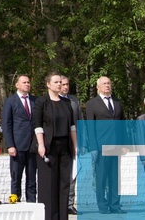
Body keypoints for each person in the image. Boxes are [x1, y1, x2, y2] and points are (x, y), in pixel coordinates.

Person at [33, 73, 76, 220]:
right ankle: (50, 216)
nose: (59, 84)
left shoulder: (66, 103)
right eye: (56, 82)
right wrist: (40, 144)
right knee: (49, 183)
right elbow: (37, 125)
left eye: (61, 82)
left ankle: (63, 216)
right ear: (48, 84)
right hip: (49, 146)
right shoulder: (41, 102)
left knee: (64, 183)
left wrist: (75, 146)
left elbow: (72, 126)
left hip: (65, 147)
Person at [85, 75, 125, 214]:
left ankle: (115, 205)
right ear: (98, 87)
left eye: (108, 83)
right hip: (101, 146)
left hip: (116, 145)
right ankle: (103, 206)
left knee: (115, 178)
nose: (107, 85)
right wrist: (93, 147)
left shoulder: (117, 102)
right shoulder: (92, 104)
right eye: (104, 83)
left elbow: (122, 124)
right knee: (102, 177)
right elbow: (90, 127)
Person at [2, 74, 37, 202]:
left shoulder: (35, 100)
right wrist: (10, 145)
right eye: (24, 82)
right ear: (17, 85)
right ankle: (15, 201)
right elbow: (6, 124)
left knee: (32, 177)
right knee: (16, 176)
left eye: (28, 82)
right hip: (17, 145)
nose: (27, 84)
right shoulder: (11, 101)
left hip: (33, 145)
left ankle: (32, 202)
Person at [59, 76, 81, 214]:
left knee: (72, 174)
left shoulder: (74, 101)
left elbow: (80, 121)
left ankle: (69, 203)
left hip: (73, 142)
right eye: (63, 84)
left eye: (67, 84)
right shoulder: (51, 100)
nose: (65, 87)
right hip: (58, 141)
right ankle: (59, 202)